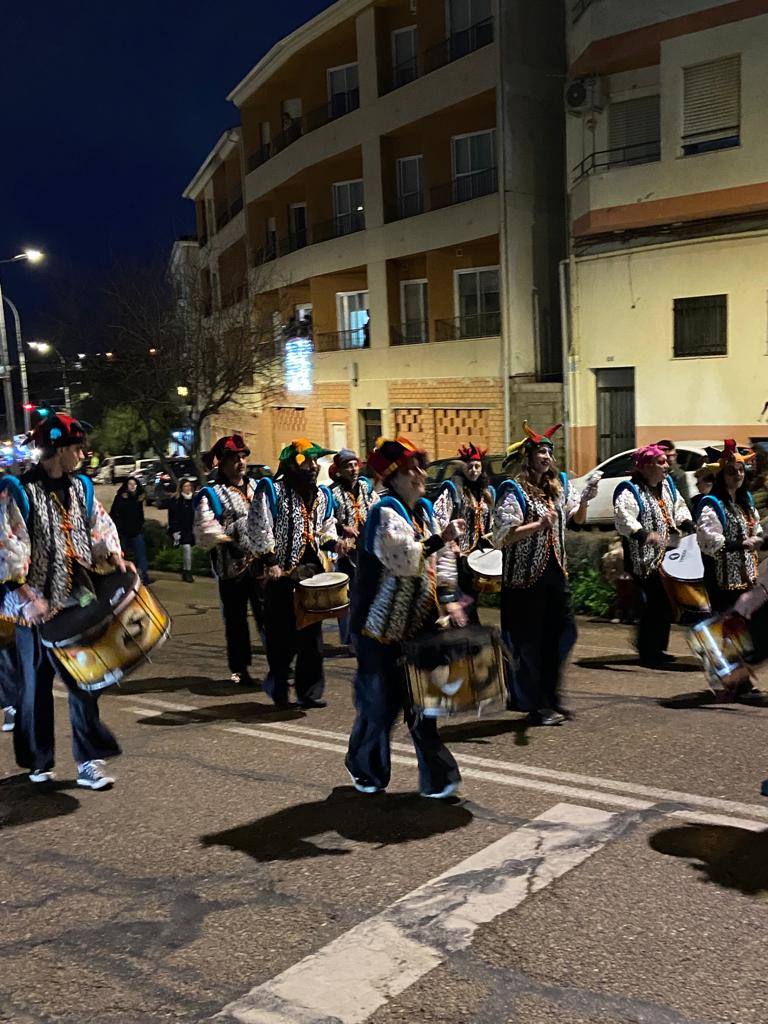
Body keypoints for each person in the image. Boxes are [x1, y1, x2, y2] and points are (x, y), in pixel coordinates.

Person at [0, 412, 129, 788]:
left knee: (84, 683)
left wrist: (114, 555)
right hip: (34, 610)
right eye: (77, 447)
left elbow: (99, 528)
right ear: (57, 449)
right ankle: (39, 762)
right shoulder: (18, 490)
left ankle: (89, 761)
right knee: (34, 690)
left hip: (76, 603)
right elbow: (6, 548)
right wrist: (26, 596)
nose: (82, 453)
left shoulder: (82, 488)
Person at [345, 436, 467, 797]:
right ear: (394, 477)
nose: (420, 473)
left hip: (418, 626)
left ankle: (438, 778)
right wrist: (440, 539)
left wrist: (450, 598)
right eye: (412, 468)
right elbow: (404, 561)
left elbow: (442, 560)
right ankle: (365, 768)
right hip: (379, 632)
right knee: (380, 709)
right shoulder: (383, 512)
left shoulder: (423, 509)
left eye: (420, 465)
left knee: (424, 706)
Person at [493, 422, 595, 725]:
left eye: (549, 451)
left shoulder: (557, 486)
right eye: (540, 450)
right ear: (528, 456)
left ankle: (550, 696)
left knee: (564, 634)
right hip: (525, 581)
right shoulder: (513, 490)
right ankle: (536, 705)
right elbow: (502, 535)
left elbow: (577, 520)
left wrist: (586, 499)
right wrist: (537, 525)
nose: (546, 456)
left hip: (554, 575)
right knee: (531, 644)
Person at [248, 438, 350, 708]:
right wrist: (270, 560)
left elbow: (325, 527)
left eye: (317, 462)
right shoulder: (272, 490)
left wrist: (335, 543)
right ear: (292, 464)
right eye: (308, 461)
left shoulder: (322, 495)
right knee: (282, 637)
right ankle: (278, 685)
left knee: (312, 638)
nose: (314, 467)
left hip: (311, 574)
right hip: (281, 575)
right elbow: (259, 527)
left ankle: (309, 692)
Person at [613, 444, 693, 667]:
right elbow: (624, 518)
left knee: (663, 602)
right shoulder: (629, 490)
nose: (667, 466)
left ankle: (652, 647)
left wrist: (687, 522)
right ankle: (650, 651)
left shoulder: (667, 485)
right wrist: (644, 534)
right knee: (658, 602)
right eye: (661, 462)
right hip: (643, 558)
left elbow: (679, 506)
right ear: (646, 466)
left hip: (667, 555)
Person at [194, 435, 261, 686]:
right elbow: (204, 526)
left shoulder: (257, 487)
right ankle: (240, 670)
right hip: (231, 568)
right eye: (234, 458)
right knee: (236, 621)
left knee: (269, 615)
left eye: (242, 456)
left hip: (260, 563)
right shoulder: (212, 493)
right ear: (222, 463)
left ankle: (280, 664)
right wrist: (226, 541)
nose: (240, 462)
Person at [694, 441, 764, 613]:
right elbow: (711, 542)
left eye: (741, 470)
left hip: (748, 579)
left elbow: (756, 530)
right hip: (723, 584)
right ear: (721, 476)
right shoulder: (712, 504)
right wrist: (743, 544)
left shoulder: (745, 501)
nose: (738, 475)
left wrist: (760, 540)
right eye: (731, 472)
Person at [433, 443, 495, 623]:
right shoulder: (452, 490)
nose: (474, 470)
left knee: (471, 599)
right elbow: (438, 517)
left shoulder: (487, 492)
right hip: (458, 557)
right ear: (463, 467)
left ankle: (459, 627)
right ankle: (461, 630)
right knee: (463, 598)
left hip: (477, 557)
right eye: (470, 466)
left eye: (477, 466)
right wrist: (450, 543)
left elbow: (489, 522)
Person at [329, 448, 378, 646]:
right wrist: (342, 527)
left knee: (367, 593)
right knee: (347, 597)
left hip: (366, 550)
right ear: (339, 470)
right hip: (344, 552)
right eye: (348, 466)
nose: (353, 469)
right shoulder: (332, 493)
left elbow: (377, 506)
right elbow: (326, 520)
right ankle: (349, 639)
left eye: (355, 464)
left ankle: (366, 634)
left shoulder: (367, 489)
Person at [110, 476, 151, 584]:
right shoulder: (120, 497)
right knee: (121, 553)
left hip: (136, 530)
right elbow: (113, 513)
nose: (132, 486)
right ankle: (119, 575)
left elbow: (140, 514)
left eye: (134, 484)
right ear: (127, 486)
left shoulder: (138, 499)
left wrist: (141, 524)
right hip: (123, 531)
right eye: (130, 484)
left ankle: (144, 575)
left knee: (141, 553)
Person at [168, 478, 196, 583]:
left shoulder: (194, 499)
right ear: (181, 488)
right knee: (186, 549)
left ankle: (185, 570)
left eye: (189, 486)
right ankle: (188, 572)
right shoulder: (176, 500)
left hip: (192, 528)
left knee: (188, 551)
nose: (188, 488)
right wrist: (174, 530)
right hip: (181, 529)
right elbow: (172, 517)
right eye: (185, 486)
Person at [657, 440, 691, 505]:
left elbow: (685, 500)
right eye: (668, 456)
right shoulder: (652, 475)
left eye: (674, 455)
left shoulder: (679, 474)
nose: (672, 459)